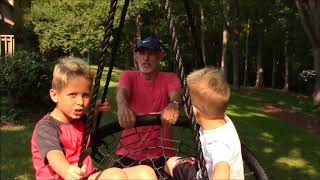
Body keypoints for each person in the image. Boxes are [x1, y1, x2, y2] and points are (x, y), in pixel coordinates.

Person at [31, 58, 157, 180]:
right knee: (115, 176)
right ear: (54, 95)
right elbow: (53, 154)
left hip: (86, 175)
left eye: (85, 95)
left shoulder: (79, 120)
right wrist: (66, 170)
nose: (80, 102)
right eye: (72, 95)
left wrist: (95, 112)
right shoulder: (46, 127)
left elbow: (89, 131)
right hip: (66, 176)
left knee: (145, 172)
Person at [164, 67, 244, 180]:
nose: (183, 103)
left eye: (185, 101)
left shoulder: (217, 144)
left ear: (194, 111)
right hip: (205, 168)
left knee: (169, 164)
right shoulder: (221, 119)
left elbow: (222, 169)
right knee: (172, 162)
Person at [115, 36, 182, 167]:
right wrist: (122, 106)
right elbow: (122, 92)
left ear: (160, 56)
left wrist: (173, 104)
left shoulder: (170, 77)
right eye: (142, 53)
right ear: (136, 56)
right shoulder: (128, 75)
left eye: (150, 54)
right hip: (128, 152)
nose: (145, 58)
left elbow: (176, 94)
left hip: (162, 154)